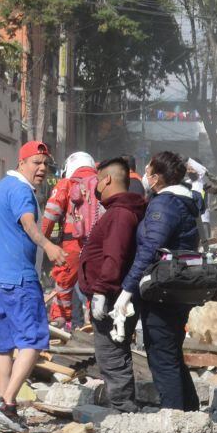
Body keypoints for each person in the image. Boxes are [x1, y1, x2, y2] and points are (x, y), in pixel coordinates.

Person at [0, 140, 67, 433]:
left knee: (4, 344)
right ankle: (7, 402)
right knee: (34, 339)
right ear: (22, 163)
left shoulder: (3, 186)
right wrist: (49, 246)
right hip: (18, 278)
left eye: (45, 164)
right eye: (36, 163)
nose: (41, 169)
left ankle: (4, 406)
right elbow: (28, 223)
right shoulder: (21, 191)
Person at [119, 151, 203, 411]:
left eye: (148, 171)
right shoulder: (186, 200)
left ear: (156, 178)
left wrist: (126, 290)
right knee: (171, 351)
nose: (144, 174)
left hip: (164, 289)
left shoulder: (164, 204)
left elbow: (149, 249)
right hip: (179, 286)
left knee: (161, 355)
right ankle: (191, 412)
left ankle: (175, 417)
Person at [80, 158, 147, 412]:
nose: (96, 186)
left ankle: (122, 408)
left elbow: (114, 255)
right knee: (114, 350)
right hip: (113, 294)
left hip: (111, 296)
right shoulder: (121, 211)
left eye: (98, 180)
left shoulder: (119, 214)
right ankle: (121, 403)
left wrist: (101, 290)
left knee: (110, 353)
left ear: (107, 179)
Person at [41, 152, 101, 330]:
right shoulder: (101, 182)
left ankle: (60, 320)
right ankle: (95, 321)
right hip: (97, 244)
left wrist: (41, 241)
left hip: (71, 243)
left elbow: (51, 213)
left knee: (64, 282)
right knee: (94, 283)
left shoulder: (66, 183)